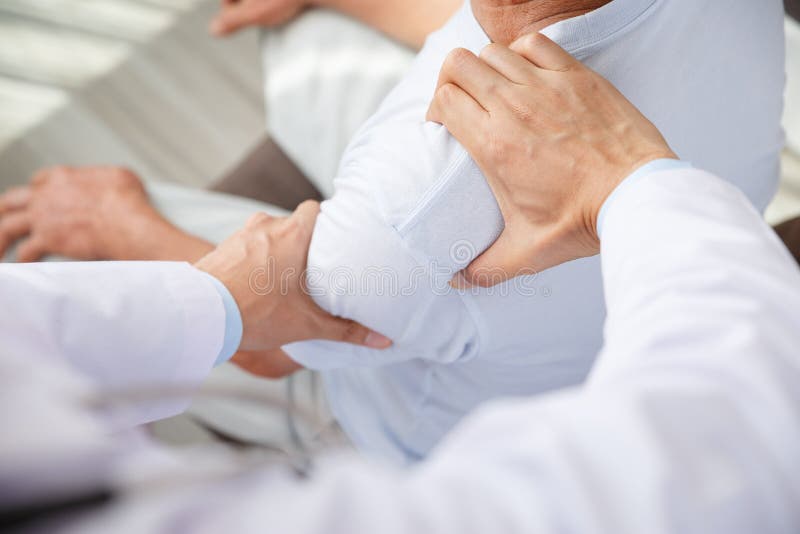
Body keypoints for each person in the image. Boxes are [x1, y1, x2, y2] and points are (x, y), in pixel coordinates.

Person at [2, 35, 799, 533]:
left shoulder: (384, 245)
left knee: (52, 246)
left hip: (397, 423)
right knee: (304, 38)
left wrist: (132, 235)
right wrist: (636, 181)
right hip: (615, 309)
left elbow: (273, 356)